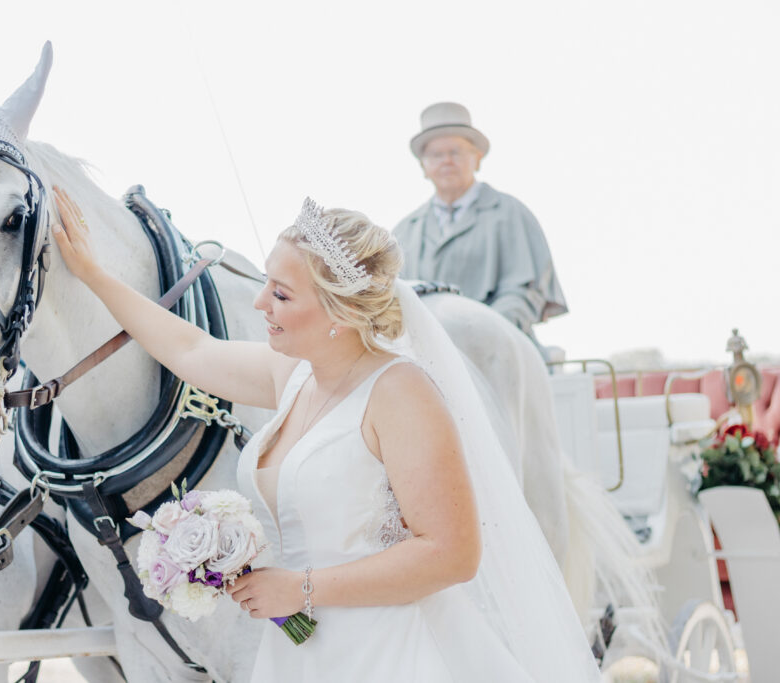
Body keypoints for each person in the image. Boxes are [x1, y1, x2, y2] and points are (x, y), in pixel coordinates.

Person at [52, 187, 600, 682]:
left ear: (339, 312)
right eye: (266, 283)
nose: (260, 303)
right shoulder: (292, 376)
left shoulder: (400, 392)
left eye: (282, 295)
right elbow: (189, 349)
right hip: (301, 652)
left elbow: (452, 554)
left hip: (391, 655)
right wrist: (96, 275)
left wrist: (300, 589)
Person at [393, 102, 568, 339]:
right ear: (423, 166)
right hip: (424, 353)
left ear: (477, 158)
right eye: (436, 154)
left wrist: (480, 335)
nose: (447, 161)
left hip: (498, 350)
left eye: (455, 152)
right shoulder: (404, 231)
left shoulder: (510, 214)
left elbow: (522, 292)